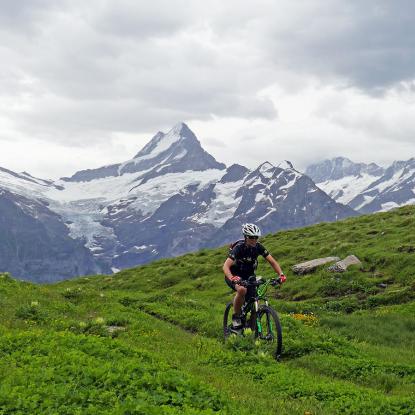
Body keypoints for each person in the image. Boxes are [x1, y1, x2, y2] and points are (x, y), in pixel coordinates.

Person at [223, 223, 286, 330]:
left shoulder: (258, 247)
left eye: (256, 237)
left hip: (249, 276)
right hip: (234, 275)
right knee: (242, 290)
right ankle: (236, 317)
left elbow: (272, 262)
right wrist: (233, 278)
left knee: (254, 300)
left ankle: (252, 328)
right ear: (245, 237)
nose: (254, 240)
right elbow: (225, 266)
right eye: (251, 237)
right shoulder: (239, 248)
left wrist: (281, 274)